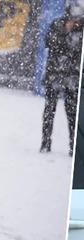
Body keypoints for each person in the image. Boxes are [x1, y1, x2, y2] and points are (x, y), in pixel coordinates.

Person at [41, 6, 84, 155]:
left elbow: (77, 51)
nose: (75, 22)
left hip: (72, 76)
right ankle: (45, 142)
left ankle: (74, 145)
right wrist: (65, 32)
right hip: (55, 74)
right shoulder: (57, 25)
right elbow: (49, 42)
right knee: (49, 111)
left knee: (73, 113)